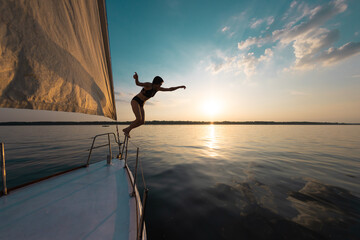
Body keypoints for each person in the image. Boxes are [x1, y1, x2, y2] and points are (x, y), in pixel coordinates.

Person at [123, 72, 186, 137]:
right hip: (136, 101)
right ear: (156, 83)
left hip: (142, 104)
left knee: (142, 122)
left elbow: (169, 89)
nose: (160, 86)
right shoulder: (148, 85)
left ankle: (127, 129)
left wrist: (180, 87)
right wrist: (136, 78)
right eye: (160, 84)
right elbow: (138, 83)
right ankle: (127, 130)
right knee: (138, 119)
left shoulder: (158, 89)